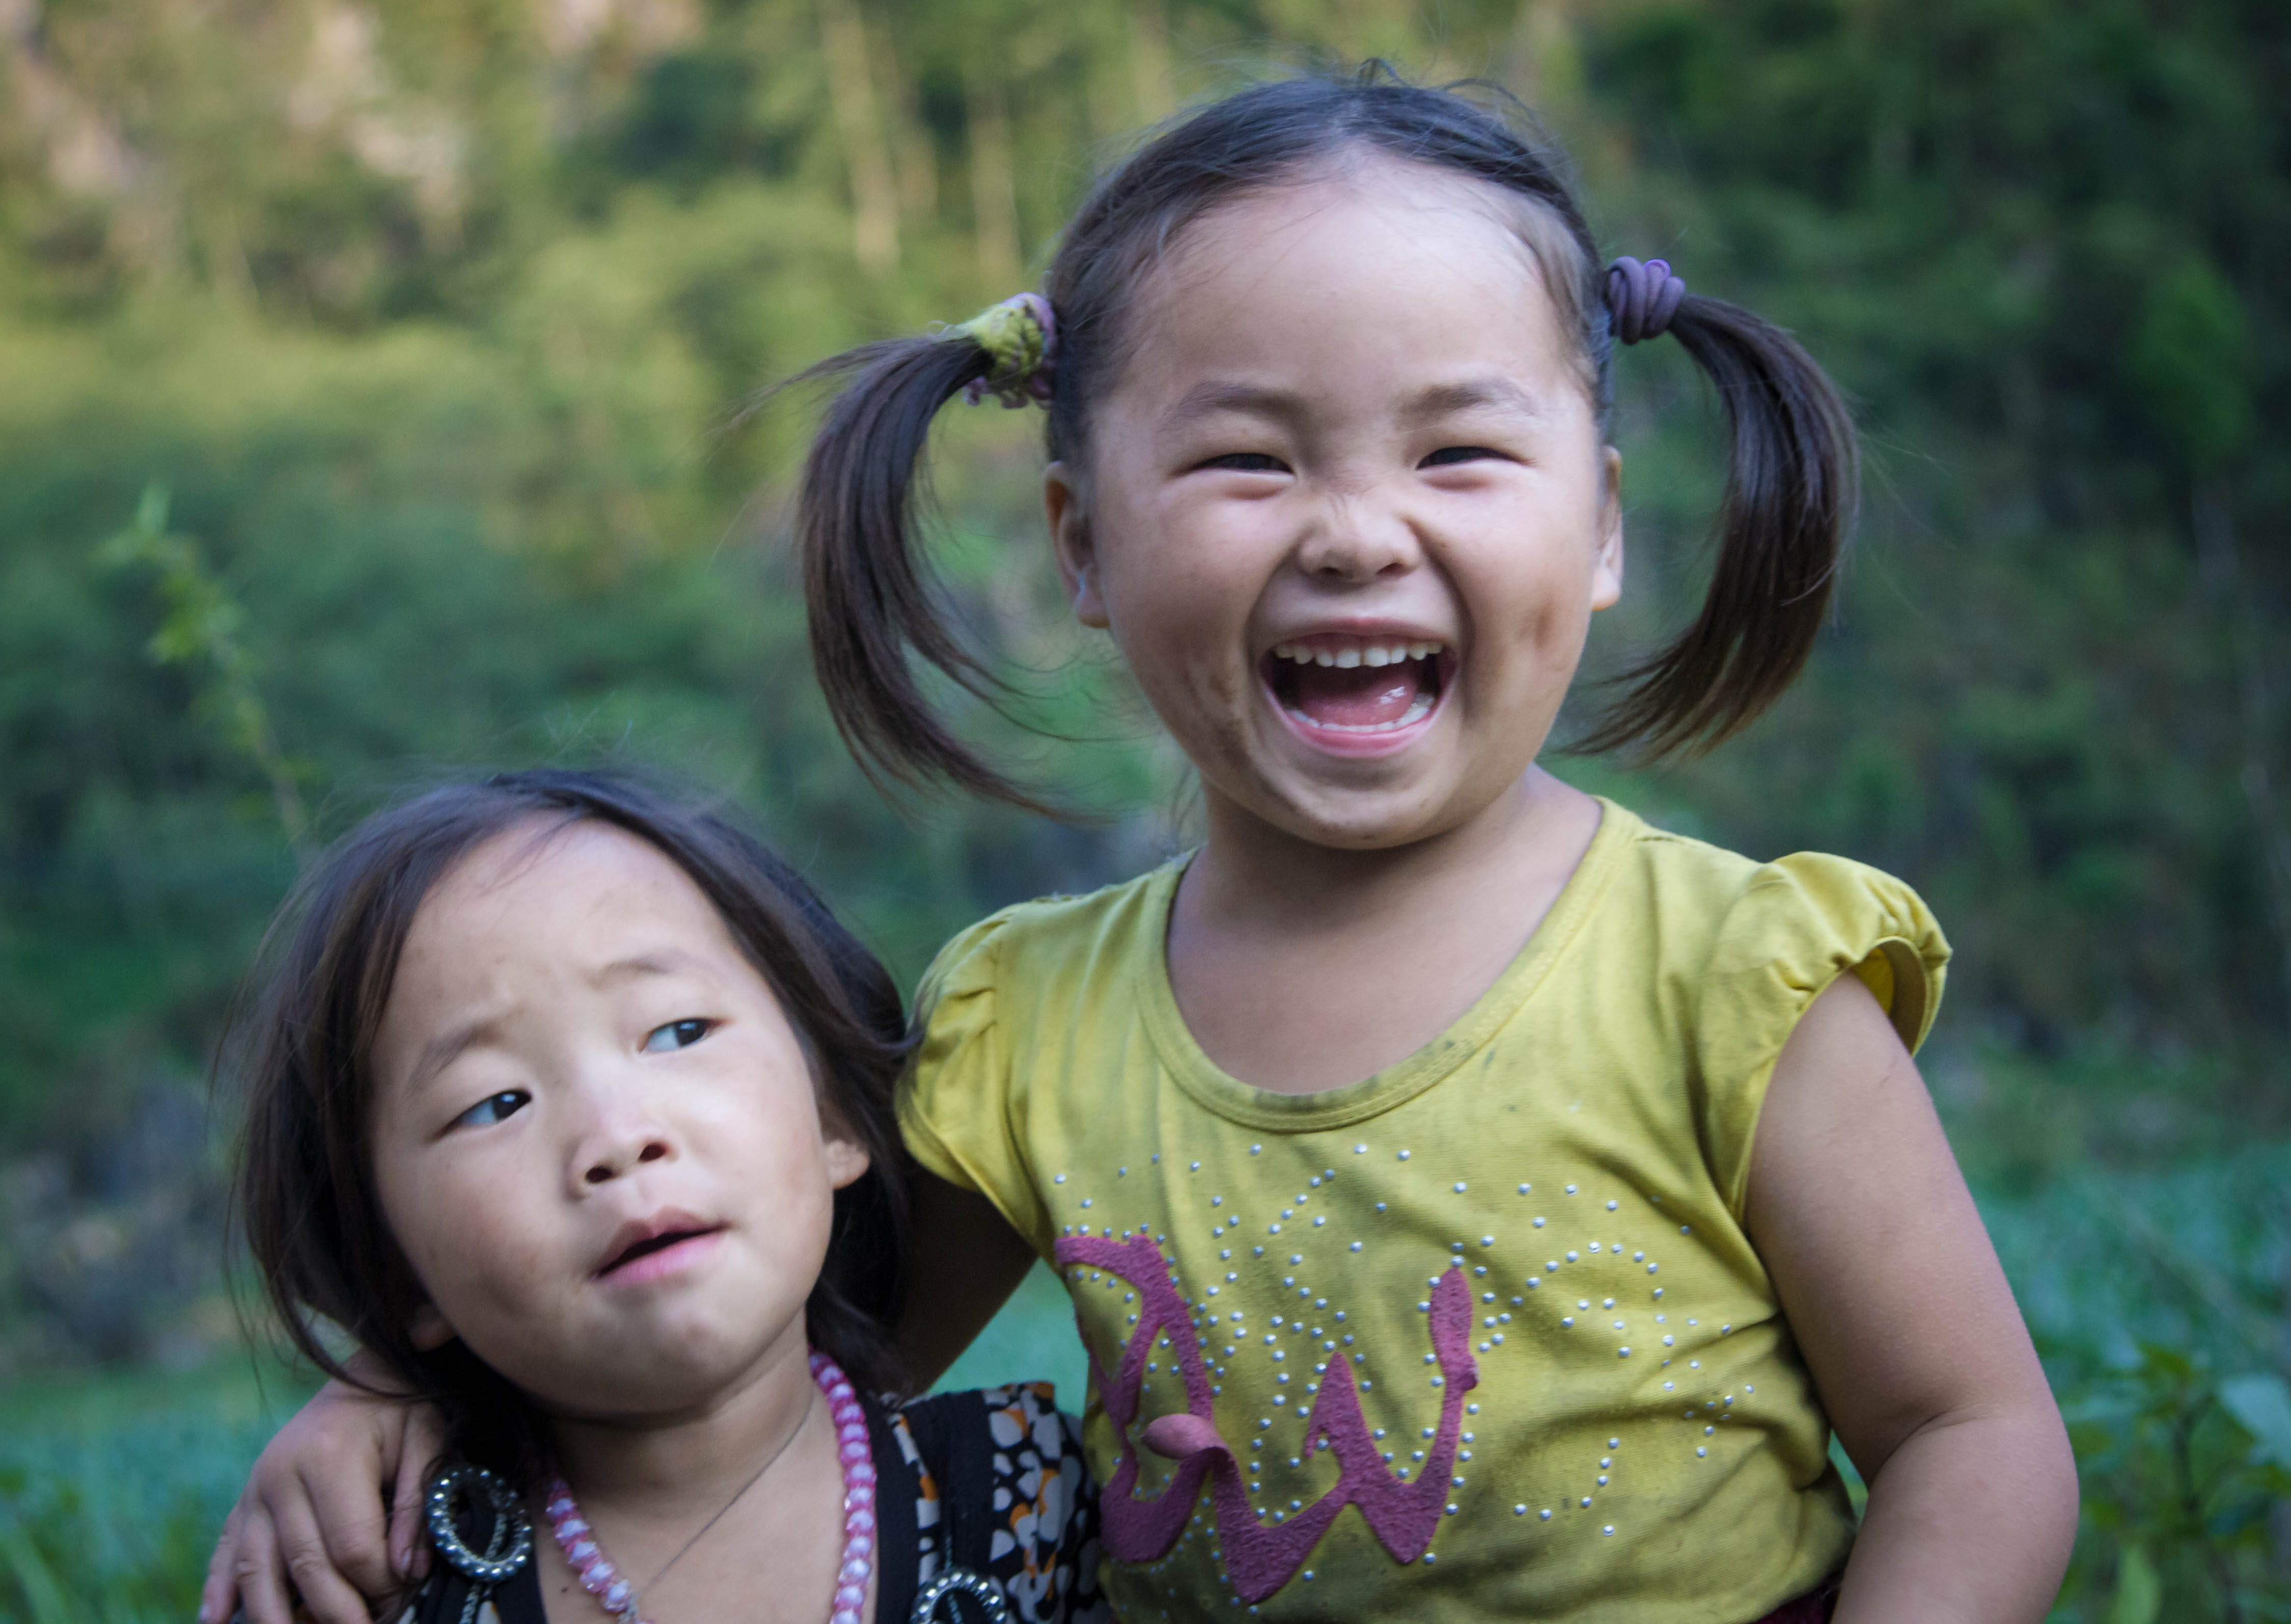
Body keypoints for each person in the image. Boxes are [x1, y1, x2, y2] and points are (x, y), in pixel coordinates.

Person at [205, 68, 2078, 1624]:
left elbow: (1969, 1438)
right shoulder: (1030, 1022)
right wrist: (403, 1385)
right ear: (1081, 545)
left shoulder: (1726, 971)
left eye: (1457, 455)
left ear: (1598, 524)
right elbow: (769, 1340)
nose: (1353, 530)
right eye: (1248, 460)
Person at [213, 770, 1103, 1624]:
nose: (617, 1135)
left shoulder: (1030, 1497)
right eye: (495, 1103)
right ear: (397, 1267)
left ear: (833, 1112)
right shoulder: (372, 1574)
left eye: (678, 1030)